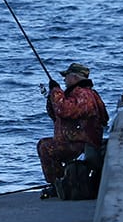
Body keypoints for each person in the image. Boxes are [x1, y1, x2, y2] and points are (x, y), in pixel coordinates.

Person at [37, 62, 109, 198]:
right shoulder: (76, 94)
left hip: (81, 144)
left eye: (66, 76)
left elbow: (64, 110)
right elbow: (56, 115)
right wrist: (51, 97)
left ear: (75, 77)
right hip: (74, 141)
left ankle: (58, 185)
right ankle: (62, 182)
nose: (64, 79)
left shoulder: (84, 95)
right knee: (45, 144)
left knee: (46, 147)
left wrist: (56, 92)